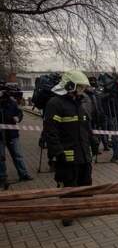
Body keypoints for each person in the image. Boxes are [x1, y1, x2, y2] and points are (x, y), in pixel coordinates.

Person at [44, 70, 99, 226]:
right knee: (68, 185)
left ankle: (84, 208)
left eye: (83, 88)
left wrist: (93, 141)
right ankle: (67, 214)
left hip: (83, 153)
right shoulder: (55, 104)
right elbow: (50, 131)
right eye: (79, 87)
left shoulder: (80, 103)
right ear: (70, 85)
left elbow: (85, 126)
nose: (82, 91)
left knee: (86, 182)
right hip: (67, 155)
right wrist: (57, 152)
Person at [0, 88, 33, 188]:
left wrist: (18, 117)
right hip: (0, 136)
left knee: (18, 155)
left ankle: (23, 174)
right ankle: (2, 177)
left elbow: (19, 113)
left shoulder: (12, 102)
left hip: (13, 134)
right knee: (1, 158)